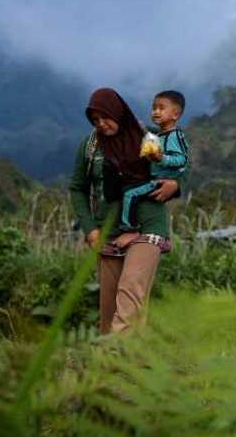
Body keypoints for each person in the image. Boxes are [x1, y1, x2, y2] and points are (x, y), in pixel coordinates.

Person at [69, 88, 188, 334]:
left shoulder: (148, 136)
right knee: (109, 307)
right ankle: (124, 365)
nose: (101, 124)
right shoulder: (90, 146)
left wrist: (176, 186)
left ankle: (117, 356)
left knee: (131, 289)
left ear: (118, 112)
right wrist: (90, 230)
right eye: (95, 120)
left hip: (148, 225)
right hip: (108, 230)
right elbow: (78, 188)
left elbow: (181, 164)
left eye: (105, 117)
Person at [119, 90, 189, 231]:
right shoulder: (161, 134)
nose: (156, 112)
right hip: (153, 177)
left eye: (161, 108)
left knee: (129, 194)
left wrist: (161, 158)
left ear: (175, 115)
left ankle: (128, 227)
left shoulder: (174, 136)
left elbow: (182, 159)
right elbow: (151, 138)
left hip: (160, 181)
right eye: (154, 108)